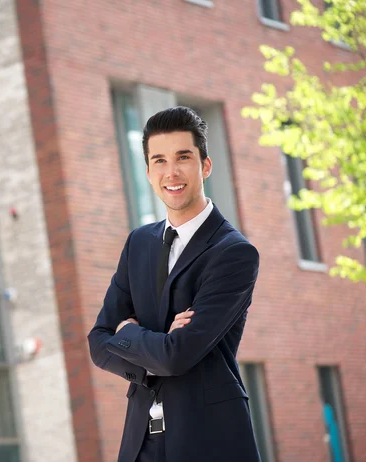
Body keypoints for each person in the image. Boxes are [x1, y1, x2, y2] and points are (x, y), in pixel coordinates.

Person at [87, 106, 261, 462]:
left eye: (183, 157)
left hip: (208, 439)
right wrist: (162, 342)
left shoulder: (234, 253)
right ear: (149, 173)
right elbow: (98, 342)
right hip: (140, 443)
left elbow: (178, 355)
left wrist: (132, 335)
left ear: (205, 165)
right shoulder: (138, 243)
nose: (172, 172)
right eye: (160, 161)